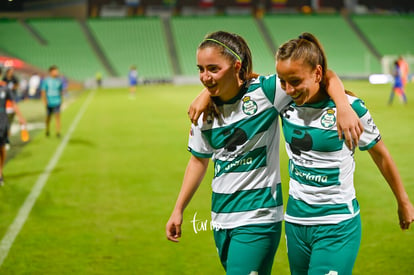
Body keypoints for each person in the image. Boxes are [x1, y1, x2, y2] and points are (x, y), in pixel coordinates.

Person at [166, 31, 362, 275]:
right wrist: (178, 209)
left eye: (213, 68)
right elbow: (198, 160)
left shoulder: (267, 93)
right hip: (221, 217)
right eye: (201, 69)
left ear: (236, 66)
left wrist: (343, 106)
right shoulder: (202, 113)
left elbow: (322, 75)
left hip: (259, 216)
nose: (205, 76)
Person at [275, 32, 414, 275]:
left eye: (295, 81)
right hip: (296, 221)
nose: (288, 89)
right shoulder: (284, 100)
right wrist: (205, 95)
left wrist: (403, 200)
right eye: (282, 81)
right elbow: (240, 84)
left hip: (337, 223)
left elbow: (380, 154)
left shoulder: (352, 110)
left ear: (317, 74)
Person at [0, 68, 26, 186]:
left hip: (2, 121)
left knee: (2, 148)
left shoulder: (5, 89)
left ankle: (0, 172)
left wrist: (20, 117)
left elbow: (14, 103)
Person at [41, 65, 64, 138]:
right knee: (48, 117)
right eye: (55, 71)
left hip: (57, 101)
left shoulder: (59, 81)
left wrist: (61, 99)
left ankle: (58, 132)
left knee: (57, 116)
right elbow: (43, 91)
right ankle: (47, 129)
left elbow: (61, 90)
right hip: (49, 102)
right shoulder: (46, 81)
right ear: (51, 72)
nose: (57, 72)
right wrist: (45, 101)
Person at [2, 67, 20, 149]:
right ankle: (6, 138)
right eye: (11, 71)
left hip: (11, 99)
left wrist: (14, 88)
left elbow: (17, 84)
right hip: (5, 102)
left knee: (9, 119)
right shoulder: (4, 79)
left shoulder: (14, 78)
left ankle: (7, 136)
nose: (12, 73)